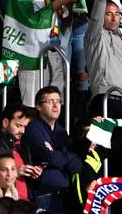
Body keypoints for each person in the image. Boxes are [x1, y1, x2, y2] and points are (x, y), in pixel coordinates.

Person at [22, 86, 81, 214]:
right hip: (42, 195)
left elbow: (76, 164)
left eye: (58, 101)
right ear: (38, 106)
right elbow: (51, 159)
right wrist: (64, 156)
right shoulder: (33, 128)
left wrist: (58, 155)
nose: (55, 105)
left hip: (62, 195)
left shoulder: (61, 131)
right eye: (50, 101)